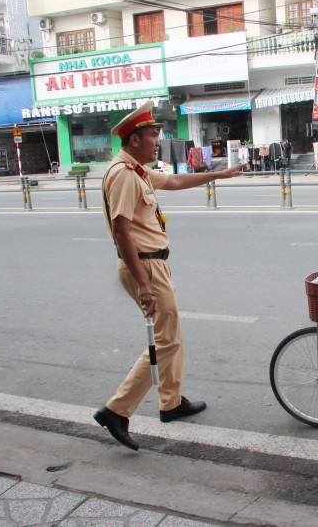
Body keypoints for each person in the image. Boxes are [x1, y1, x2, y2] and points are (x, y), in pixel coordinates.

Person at [94, 101, 245, 451]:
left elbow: (175, 179)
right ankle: (117, 409)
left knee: (170, 335)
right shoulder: (122, 174)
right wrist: (144, 284)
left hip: (155, 263)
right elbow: (121, 230)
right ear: (133, 140)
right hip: (144, 266)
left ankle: (171, 401)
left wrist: (216, 175)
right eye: (152, 136)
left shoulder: (139, 172)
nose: (157, 141)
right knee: (165, 341)